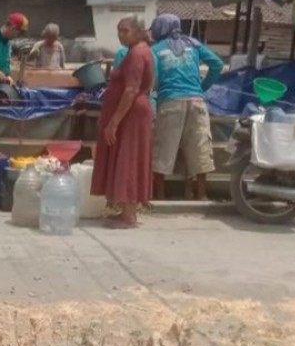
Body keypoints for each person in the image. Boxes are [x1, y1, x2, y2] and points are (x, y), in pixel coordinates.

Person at [149, 13, 225, 201]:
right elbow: (217, 64)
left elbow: (153, 81)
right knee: (200, 147)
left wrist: (153, 103)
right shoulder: (194, 44)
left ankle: (159, 196)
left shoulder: (156, 49)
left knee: (163, 150)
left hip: (170, 102)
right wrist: (202, 87)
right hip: (196, 101)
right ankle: (201, 194)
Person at [92, 17, 155, 228]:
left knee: (128, 159)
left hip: (132, 114)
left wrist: (114, 122)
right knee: (125, 158)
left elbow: (131, 90)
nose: (120, 34)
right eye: (119, 30)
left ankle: (129, 217)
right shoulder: (137, 50)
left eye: (125, 31)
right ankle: (126, 212)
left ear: (138, 32)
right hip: (132, 113)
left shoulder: (137, 53)